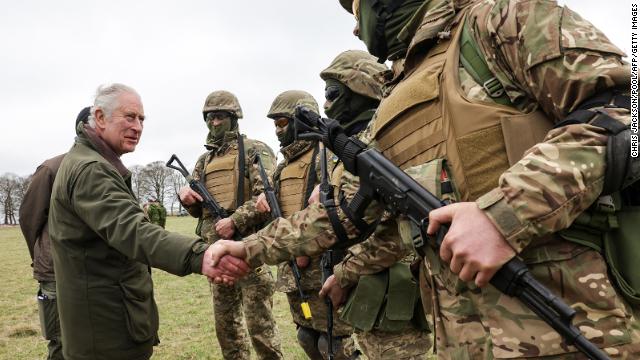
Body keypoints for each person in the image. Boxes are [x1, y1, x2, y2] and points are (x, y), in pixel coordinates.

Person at [211, 0, 639, 358]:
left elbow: (625, 111)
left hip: (576, 327)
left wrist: (504, 215)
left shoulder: (501, 21)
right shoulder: (396, 95)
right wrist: (249, 248)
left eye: (356, 7)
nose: (357, 28)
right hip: (461, 338)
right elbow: (345, 210)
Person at [48, 83, 249, 360]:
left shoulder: (91, 162)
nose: (138, 127)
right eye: (129, 117)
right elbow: (133, 230)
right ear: (100, 117)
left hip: (106, 322)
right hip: (106, 334)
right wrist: (199, 254)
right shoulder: (91, 170)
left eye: (141, 119)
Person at [317, 50, 431, 360]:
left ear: (360, 91)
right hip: (359, 287)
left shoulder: (392, 141)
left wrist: (344, 273)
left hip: (392, 289)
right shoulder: (338, 151)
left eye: (332, 93)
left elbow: (398, 233)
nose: (326, 104)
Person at [248, 90, 359, 359]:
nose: (277, 131)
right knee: (306, 336)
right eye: (275, 124)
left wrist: (328, 188)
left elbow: (348, 192)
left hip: (324, 267)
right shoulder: (284, 165)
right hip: (294, 271)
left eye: (282, 123)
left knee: (333, 344)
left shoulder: (327, 154)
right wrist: (261, 200)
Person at [178, 90, 283, 360]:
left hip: (248, 251)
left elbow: (269, 196)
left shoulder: (254, 150)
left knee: (261, 328)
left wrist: (235, 220)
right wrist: (188, 200)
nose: (214, 123)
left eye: (220, 117)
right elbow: (198, 211)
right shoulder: (205, 161)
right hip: (216, 255)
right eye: (210, 117)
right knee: (226, 330)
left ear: (234, 117)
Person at [18, 106, 90, 360]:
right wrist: (43, 257)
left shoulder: (109, 169)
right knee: (61, 340)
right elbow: (29, 218)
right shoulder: (52, 168)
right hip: (56, 272)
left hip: (93, 271)